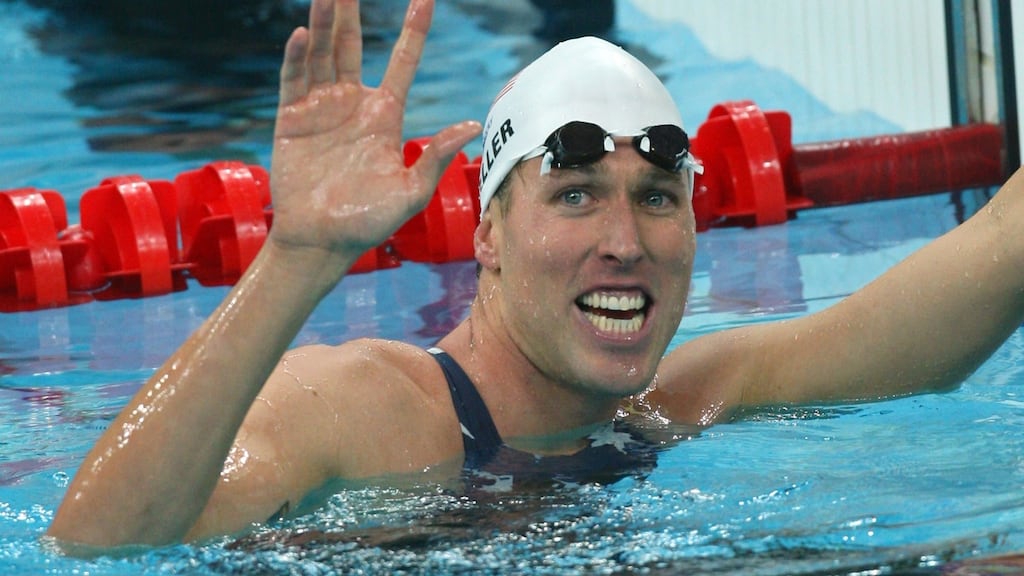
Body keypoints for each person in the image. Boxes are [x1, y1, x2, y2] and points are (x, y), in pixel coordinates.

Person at [46, 0, 1024, 549]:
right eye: (573, 194)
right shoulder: (367, 408)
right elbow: (96, 548)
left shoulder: (678, 410)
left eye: (654, 196)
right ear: (487, 235)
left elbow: (992, 256)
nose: (624, 240)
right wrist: (297, 259)